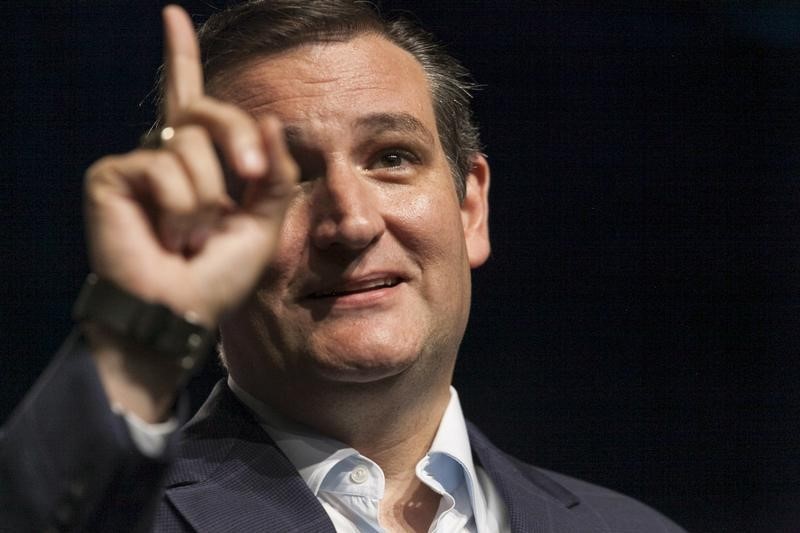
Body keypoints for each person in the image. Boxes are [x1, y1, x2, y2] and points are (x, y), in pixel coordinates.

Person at [0, 2, 687, 531]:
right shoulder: (114, 510)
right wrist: (135, 336)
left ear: (470, 207)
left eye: (391, 157)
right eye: (287, 176)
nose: (351, 223)